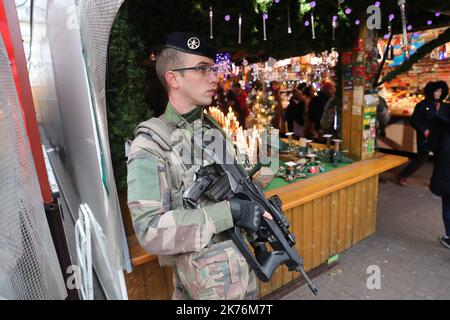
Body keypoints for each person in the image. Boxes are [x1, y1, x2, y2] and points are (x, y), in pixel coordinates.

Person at [126, 32, 271, 300]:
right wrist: (231, 213)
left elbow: (235, 187)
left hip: (241, 276)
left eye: (213, 69)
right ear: (174, 78)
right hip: (203, 288)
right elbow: (149, 230)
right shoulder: (150, 145)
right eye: (203, 69)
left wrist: (256, 205)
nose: (214, 76)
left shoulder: (210, 131)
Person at [397, 81, 446, 186]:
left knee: (440, 159)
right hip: (425, 137)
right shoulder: (422, 105)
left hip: (438, 136)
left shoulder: (442, 105)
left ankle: (436, 182)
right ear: (430, 92)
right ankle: (402, 175)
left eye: (441, 91)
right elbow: (414, 121)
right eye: (437, 91)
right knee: (421, 159)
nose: (439, 93)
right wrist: (424, 130)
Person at [427, 81, 450, 249]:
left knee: (448, 201)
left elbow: (435, 143)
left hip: (446, 163)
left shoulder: (443, 113)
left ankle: (449, 235)